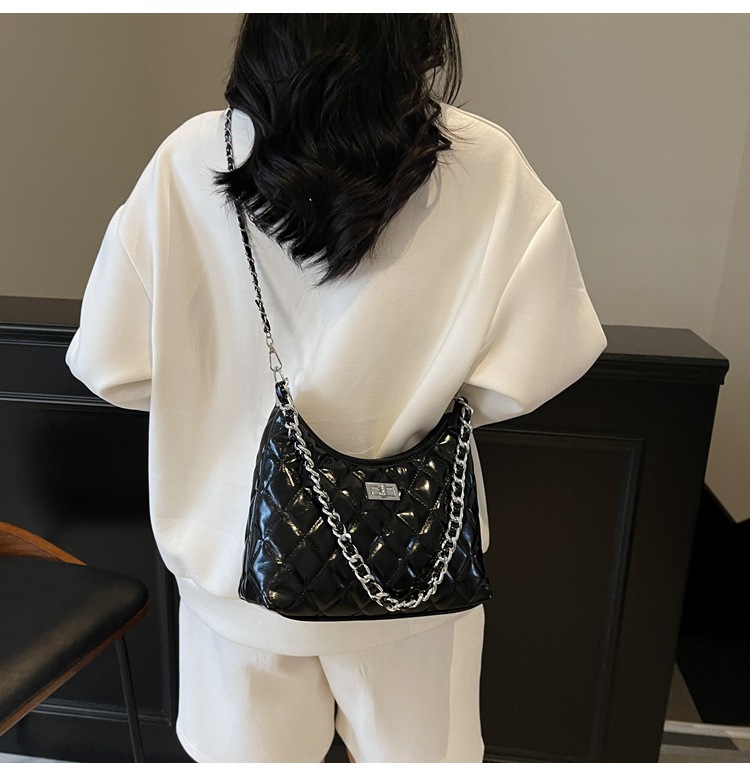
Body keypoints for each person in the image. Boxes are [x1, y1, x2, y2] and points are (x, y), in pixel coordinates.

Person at [66, 14, 607, 763]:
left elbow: (113, 364)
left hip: (237, 578)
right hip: (415, 571)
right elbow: (541, 361)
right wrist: (416, 404)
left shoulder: (191, 159)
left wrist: (217, 401)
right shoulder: (486, 164)